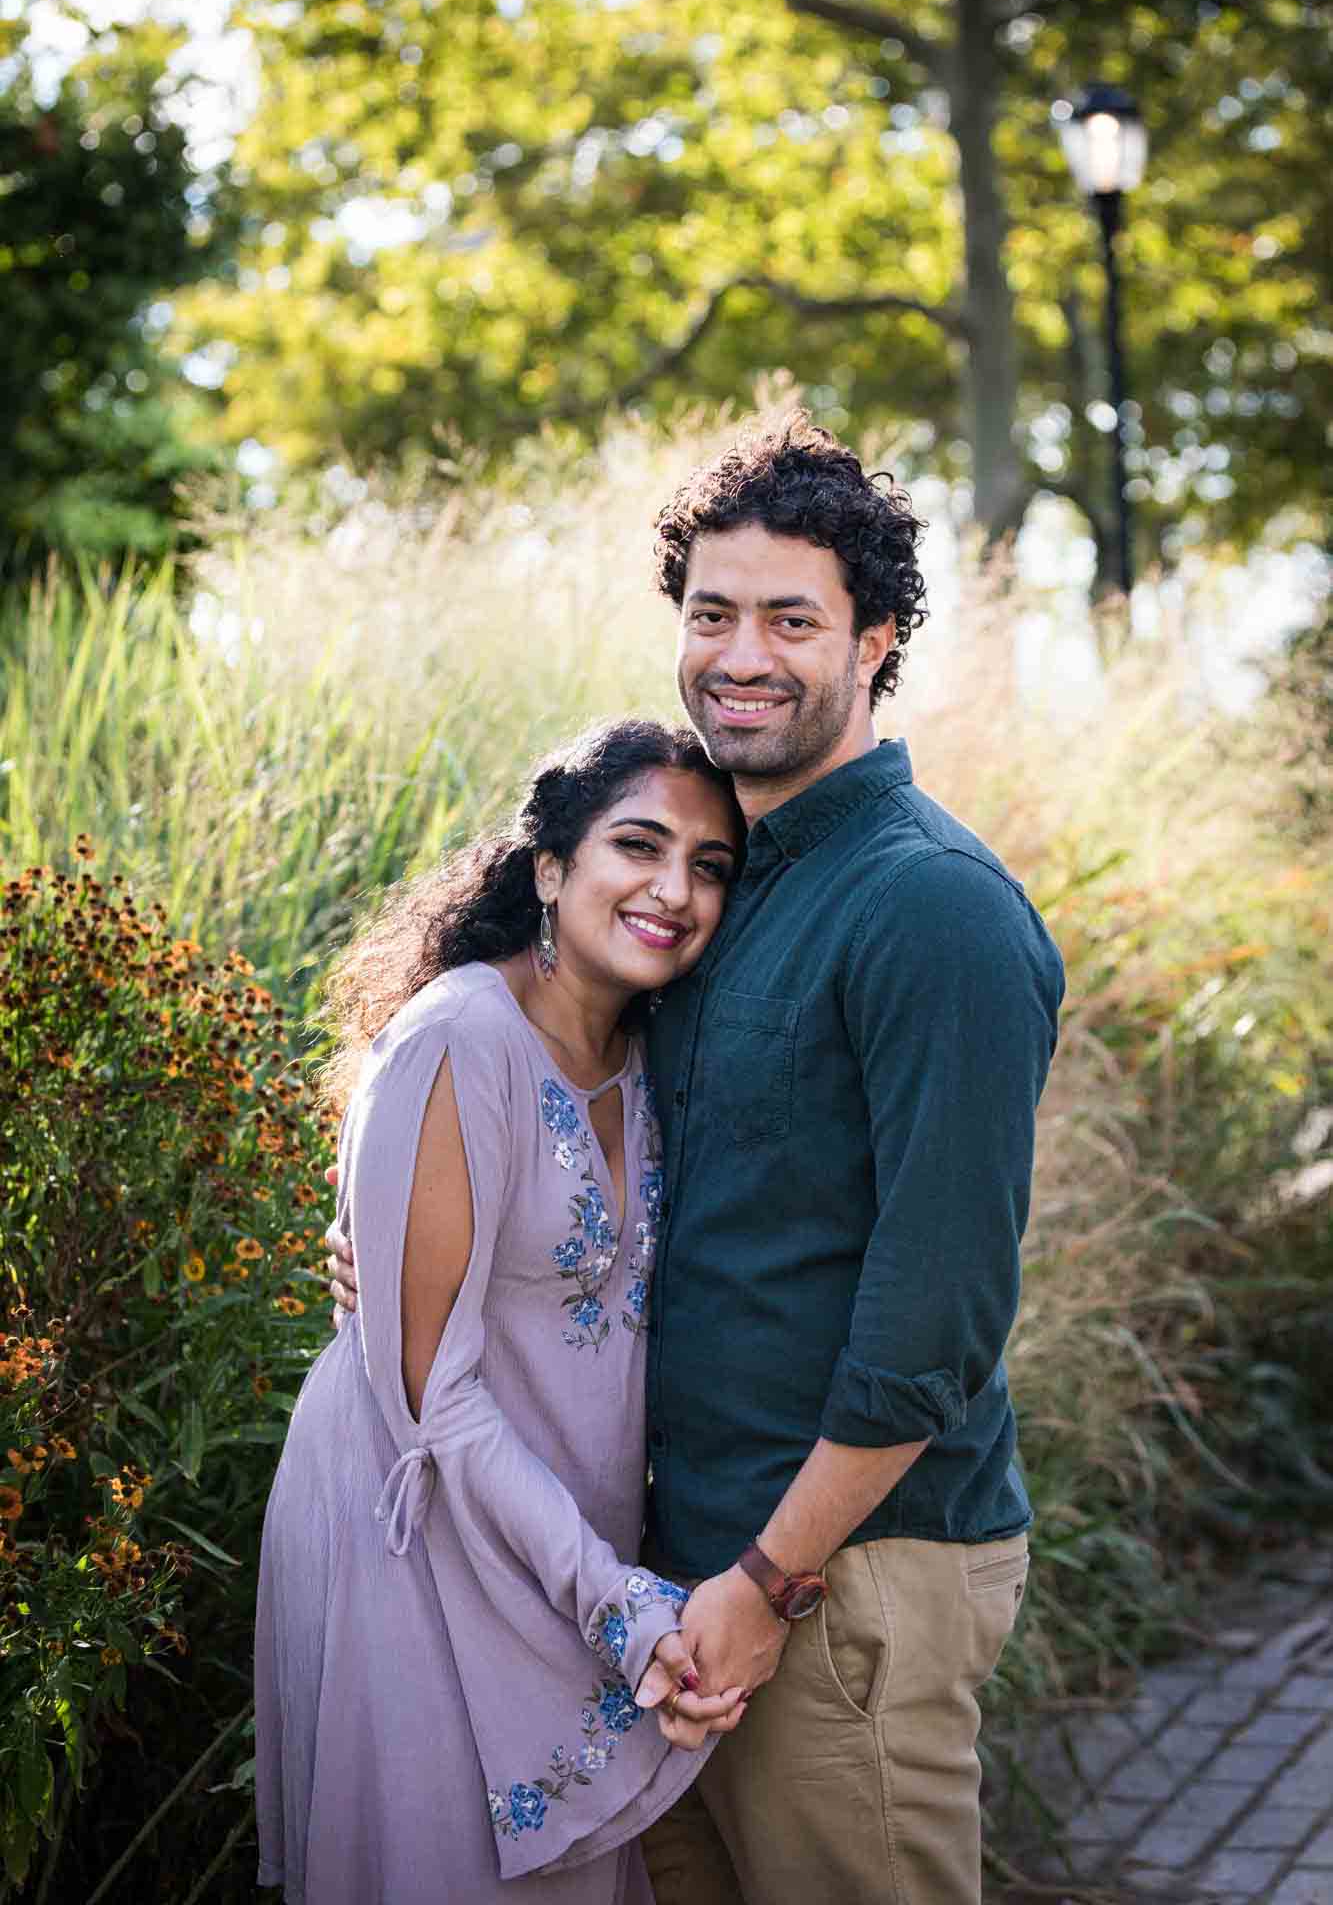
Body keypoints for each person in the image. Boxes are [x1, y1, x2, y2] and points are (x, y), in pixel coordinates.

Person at [330, 412, 1065, 1904]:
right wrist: (406, 1254)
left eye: (791, 619)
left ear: (876, 640)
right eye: (710, 613)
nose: (741, 652)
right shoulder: (722, 882)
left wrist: (768, 1584)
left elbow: (934, 1325)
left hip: (842, 1579)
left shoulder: (931, 911)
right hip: (668, 1587)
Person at [256, 719, 749, 1905]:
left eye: (709, 865)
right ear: (548, 867)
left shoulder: (650, 1047)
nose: (672, 888)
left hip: (566, 1527)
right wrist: (618, 1600)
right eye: (638, 844)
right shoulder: (456, 1041)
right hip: (416, 1518)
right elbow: (429, 1388)